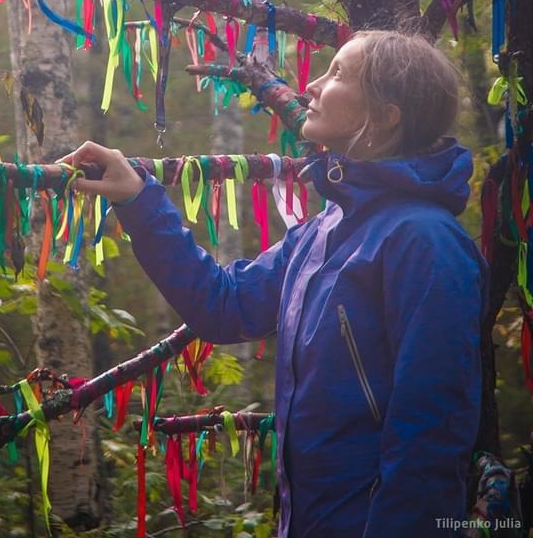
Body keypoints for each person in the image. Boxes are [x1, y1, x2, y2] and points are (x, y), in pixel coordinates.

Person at [63, 30, 489, 538]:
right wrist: (137, 198)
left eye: (338, 73)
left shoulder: (426, 242)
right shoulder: (321, 231)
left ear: (385, 116)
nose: (311, 84)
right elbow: (224, 306)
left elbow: (431, 435)